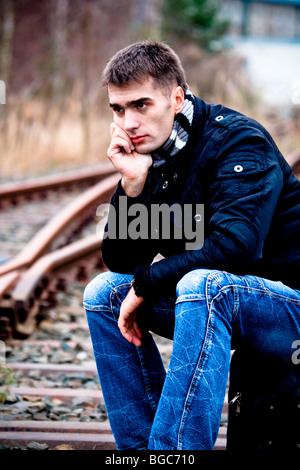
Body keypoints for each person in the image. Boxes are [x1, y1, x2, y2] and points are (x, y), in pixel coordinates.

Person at [83, 40, 300, 450]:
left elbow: (235, 248)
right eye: (118, 109)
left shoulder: (239, 143)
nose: (128, 122)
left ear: (176, 98)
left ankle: (176, 454)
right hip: (233, 302)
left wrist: (148, 284)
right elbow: (122, 263)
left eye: (141, 105)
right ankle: (142, 451)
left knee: (204, 285)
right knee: (104, 294)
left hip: (289, 306)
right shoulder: (154, 158)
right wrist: (132, 188)